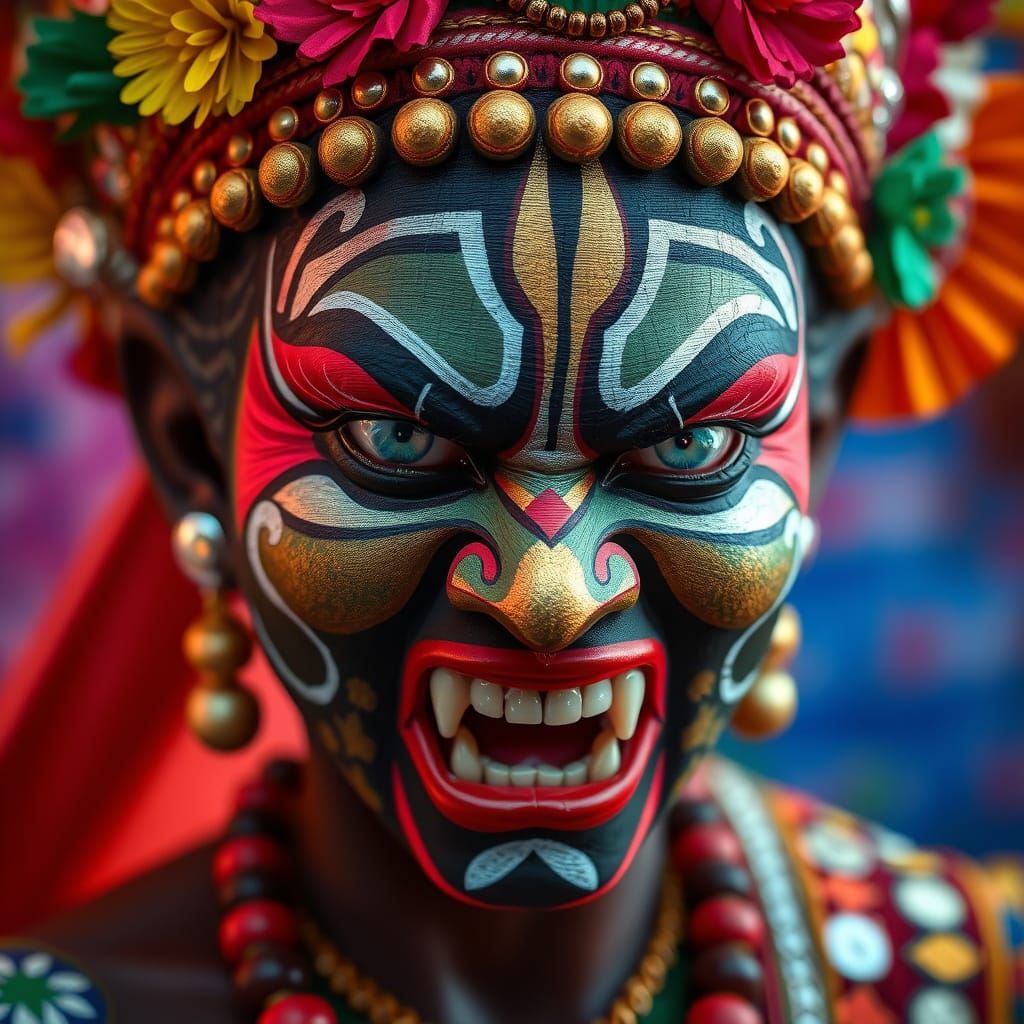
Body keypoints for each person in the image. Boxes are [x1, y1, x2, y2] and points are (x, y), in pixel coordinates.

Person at [0, 0, 1022, 1021]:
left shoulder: (977, 984)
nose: (551, 591)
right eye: (397, 442)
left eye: (688, 447)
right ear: (186, 440)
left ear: (823, 425)